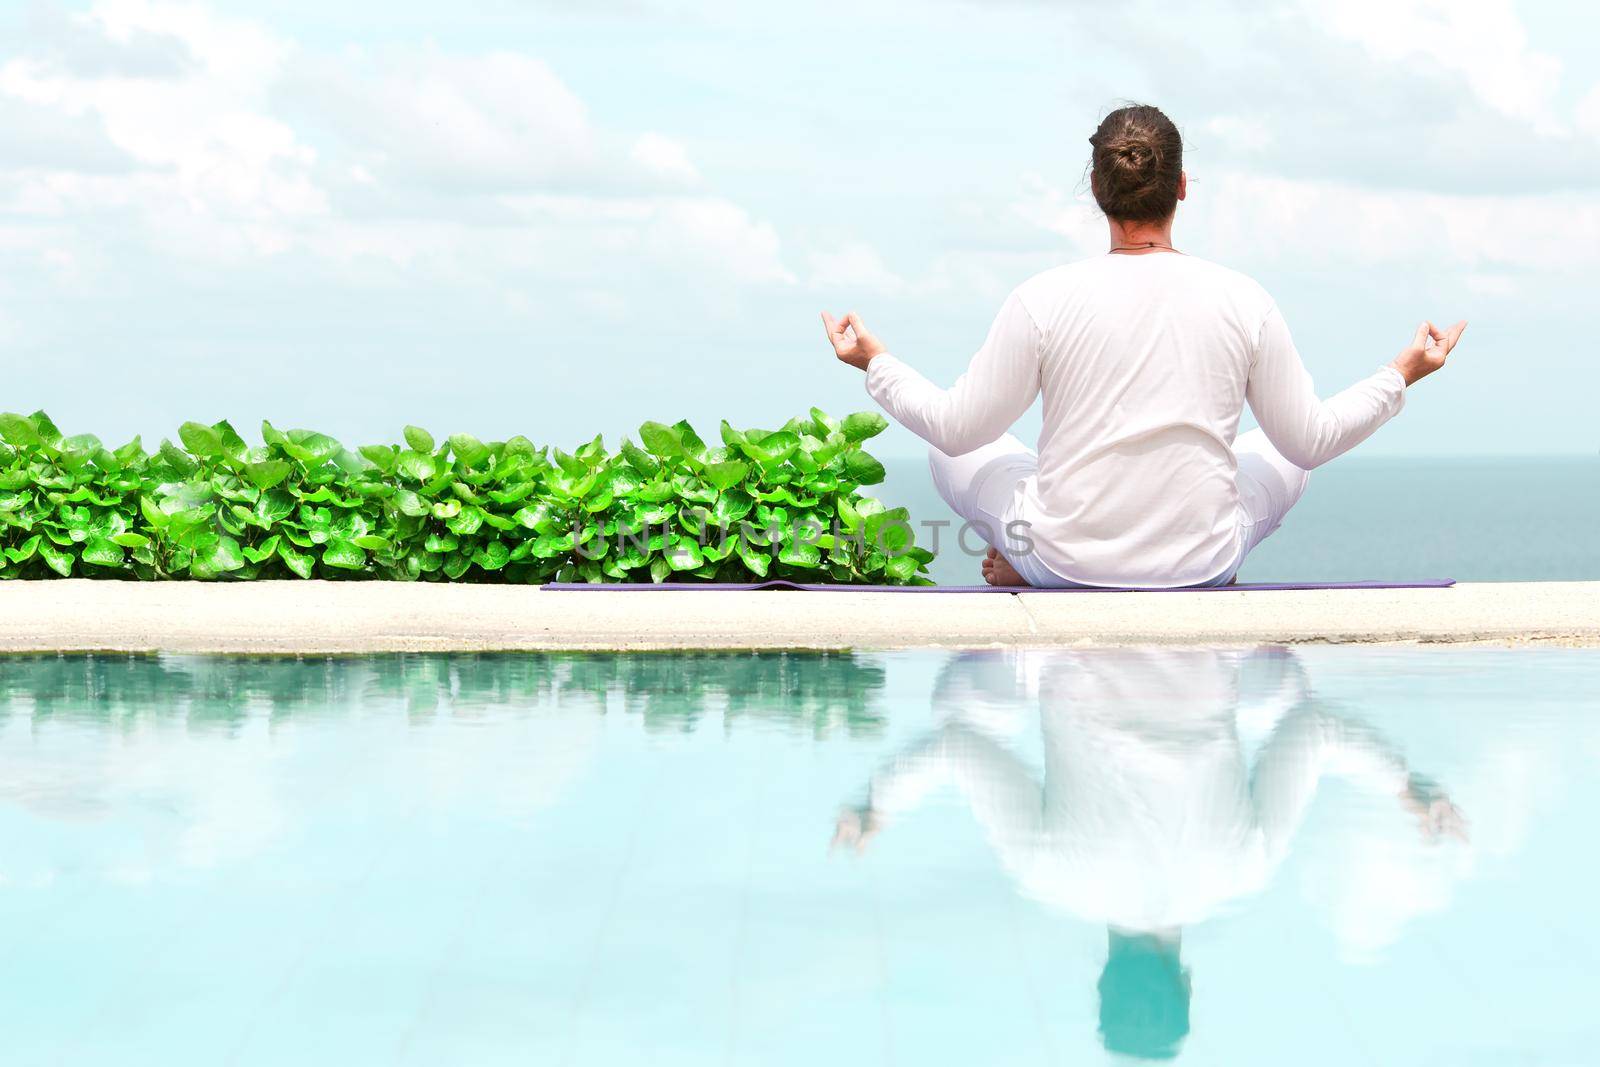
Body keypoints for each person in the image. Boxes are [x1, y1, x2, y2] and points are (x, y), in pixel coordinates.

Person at [820, 104, 1468, 587]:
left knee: (951, 446)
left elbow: (956, 429)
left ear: (1096, 192)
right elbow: (1311, 441)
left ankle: (1026, 558)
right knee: (1284, 444)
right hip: (1201, 565)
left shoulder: (1042, 298)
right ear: (1181, 187)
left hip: (1063, 559)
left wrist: (874, 362)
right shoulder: (1245, 299)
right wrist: (1402, 373)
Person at [831, 647, 1468, 1060]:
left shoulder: (1246, 868)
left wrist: (1410, 789)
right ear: (1100, 979)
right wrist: (876, 807)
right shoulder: (1050, 877)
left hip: (1201, 636)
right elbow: (956, 745)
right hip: (1069, 638)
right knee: (964, 704)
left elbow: (1316, 726)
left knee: (1281, 693)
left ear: (1187, 982)